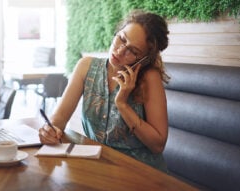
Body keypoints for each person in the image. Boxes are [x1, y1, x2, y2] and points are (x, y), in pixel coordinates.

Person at [38, 10, 170, 172]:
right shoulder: (85, 66)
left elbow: (158, 145)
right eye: (121, 38)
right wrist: (49, 131)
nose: (120, 51)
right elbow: (58, 120)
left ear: (143, 60)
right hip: (96, 167)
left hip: (140, 172)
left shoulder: (150, 78)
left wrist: (122, 104)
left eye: (133, 51)